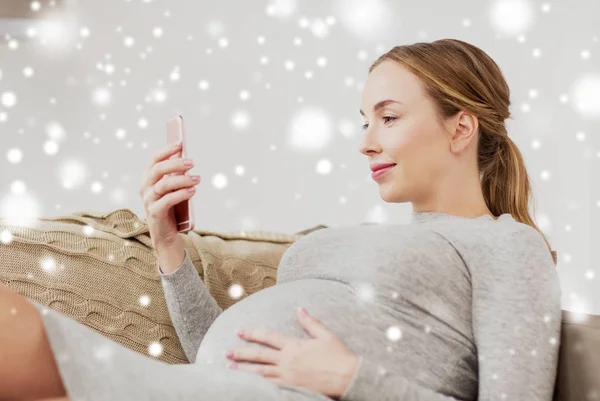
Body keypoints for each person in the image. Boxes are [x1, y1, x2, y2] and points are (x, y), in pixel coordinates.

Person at [0, 38, 561, 401]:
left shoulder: (507, 245)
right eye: (362, 121)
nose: (366, 143)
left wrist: (351, 379)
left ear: (461, 128)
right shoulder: (374, 242)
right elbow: (224, 352)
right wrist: (168, 245)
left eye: (387, 118)